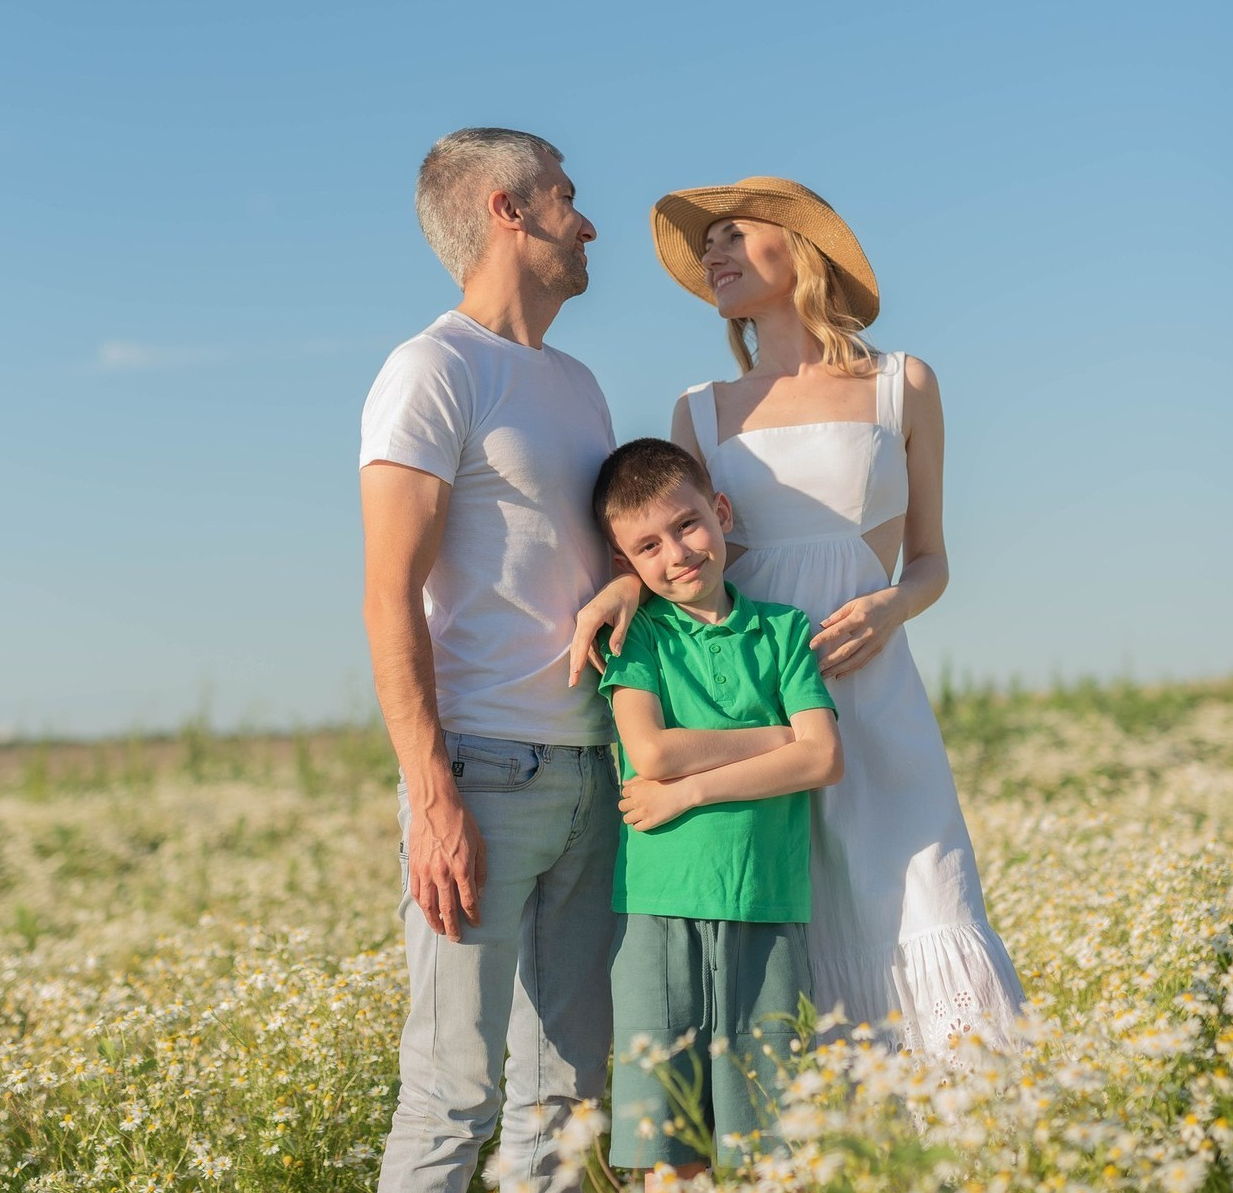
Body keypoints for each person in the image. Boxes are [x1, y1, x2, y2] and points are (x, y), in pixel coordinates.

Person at [574, 177, 1023, 1054]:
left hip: (870, 688)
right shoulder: (700, 409)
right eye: (708, 247)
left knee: (925, 900)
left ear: (800, 245)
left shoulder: (903, 383)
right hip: (748, 706)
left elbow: (929, 559)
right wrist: (627, 582)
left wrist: (891, 606)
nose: (713, 256)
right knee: (793, 933)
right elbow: (687, 544)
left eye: (732, 235)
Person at [360, 127, 621, 1193]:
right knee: (452, 1092)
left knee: (563, 1095)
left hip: (593, 769)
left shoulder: (580, 384)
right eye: (565, 194)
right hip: (479, 772)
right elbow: (387, 594)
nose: (586, 217)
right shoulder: (429, 369)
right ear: (507, 210)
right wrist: (431, 793)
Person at [592, 437, 843, 1184]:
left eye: (688, 525)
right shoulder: (636, 637)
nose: (676, 554)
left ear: (721, 513)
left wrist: (694, 790)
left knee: (770, 1140)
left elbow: (823, 758)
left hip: (767, 905)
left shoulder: (785, 630)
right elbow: (653, 754)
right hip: (658, 909)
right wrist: (773, 738)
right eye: (647, 546)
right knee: (666, 1151)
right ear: (626, 566)